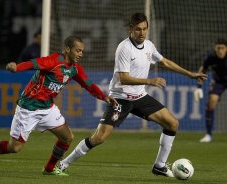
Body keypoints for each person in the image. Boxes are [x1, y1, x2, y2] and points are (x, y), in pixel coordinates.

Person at [58, 13, 207, 177]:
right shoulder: (124, 48)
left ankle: (159, 165)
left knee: (172, 123)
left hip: (139, 97)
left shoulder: (149, 45)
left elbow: (164, 61)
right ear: (130, 29)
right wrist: (150, 81)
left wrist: (189, 74)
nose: (142, 33)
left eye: (144, 29)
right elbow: (124, 78)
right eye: (138, 29)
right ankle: (64, 164)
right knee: (99, 137)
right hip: (120, 98)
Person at [0, 35, 118, 176]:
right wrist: (16, 67)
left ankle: (49, 169)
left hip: (47, 108)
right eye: (78, 50)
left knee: (67, 138)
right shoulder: (53, 61)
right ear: (67, 49)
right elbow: (33, 63)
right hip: (28, 108)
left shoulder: (74, 69)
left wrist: (104, 97)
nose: (80, 54)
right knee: (15, 148)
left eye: (82, 51)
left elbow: (88, 85)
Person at [194, 38, 227, 143]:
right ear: (215, 48)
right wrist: (198, 87)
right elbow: (202, 70)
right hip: (218, 82)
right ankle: (208, 134)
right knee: (211, 102)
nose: (220, 51)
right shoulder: (211, 57)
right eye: (218, 48)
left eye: (223, 48)